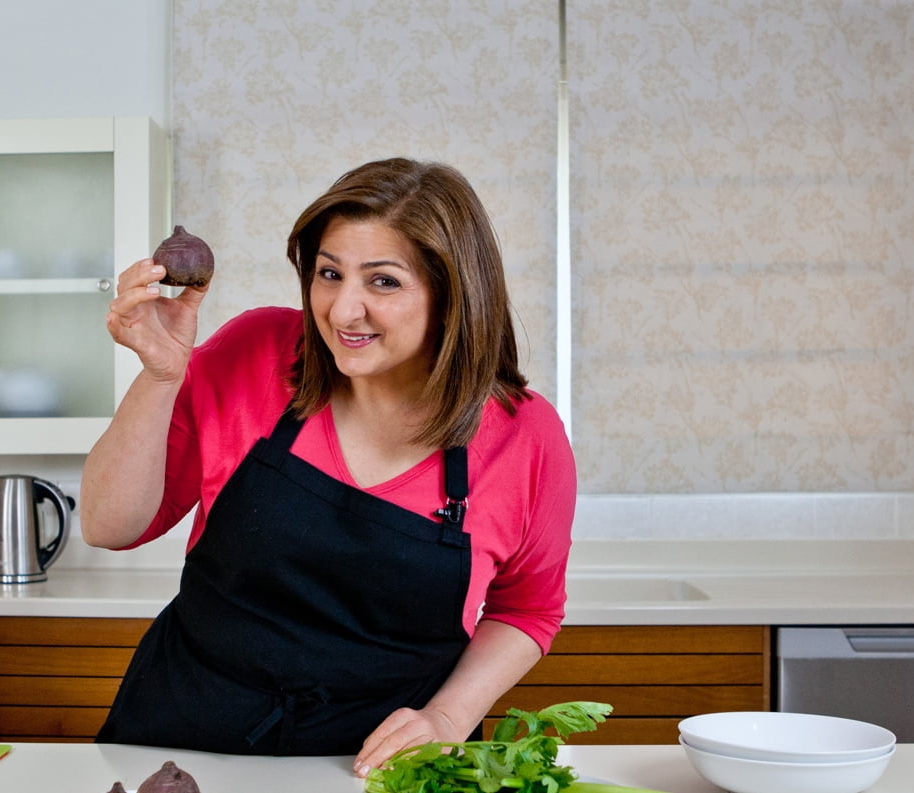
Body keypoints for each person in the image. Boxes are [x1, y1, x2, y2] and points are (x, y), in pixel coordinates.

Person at [79, 157, 577, 776]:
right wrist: (160, 374)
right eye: (329, 274)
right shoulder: (255, 352)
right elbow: (109, 526)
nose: (344, 311)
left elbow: (525, 610)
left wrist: (448, 718)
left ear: (452, 294)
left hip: (380, 767)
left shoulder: (524, 436)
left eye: (383, 282)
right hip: (186, 742)